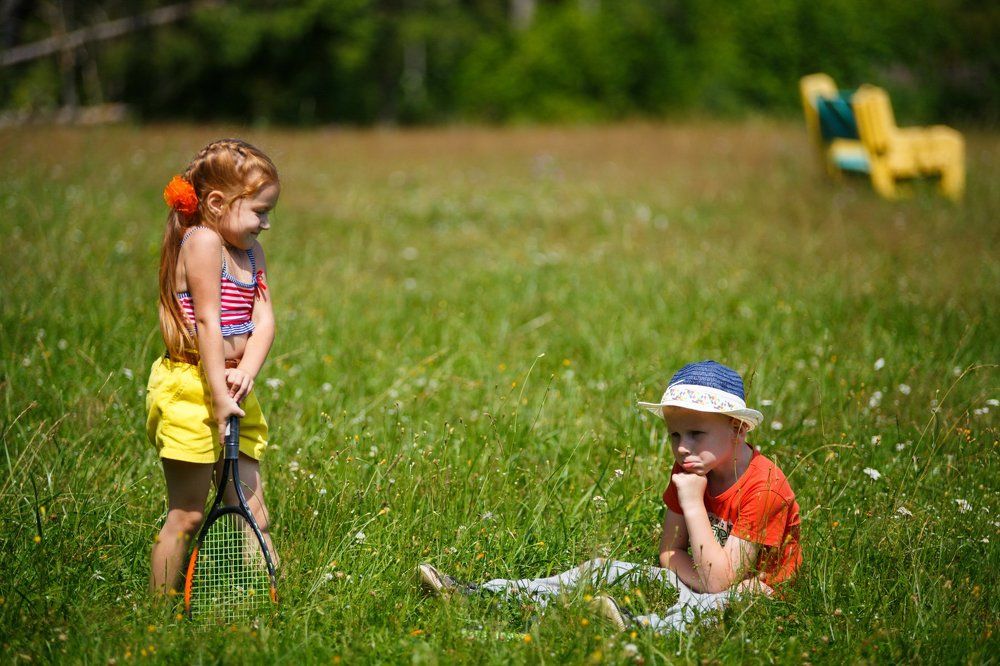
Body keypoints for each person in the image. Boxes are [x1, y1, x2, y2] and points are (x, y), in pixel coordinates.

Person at [418, 360, 801, 632]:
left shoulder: (762, 486)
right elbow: (669, 551)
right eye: (674, 435)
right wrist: (691, 577)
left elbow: (721, 583)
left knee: (717, 602)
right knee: (600, 565)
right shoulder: (692, 468)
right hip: (702, 574)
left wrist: (691, 510)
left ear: (737, 428)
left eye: (695, 434)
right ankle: (487, 595)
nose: (681, 448)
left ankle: (642, 629)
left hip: (757, 592)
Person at [146, 139, 281, 594]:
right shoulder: (202, 241)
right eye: (259, 212)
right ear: (218, 203)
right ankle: (154, 620)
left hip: (235, 387)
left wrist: (245, 376)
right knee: (187, 514)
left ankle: (269, 605)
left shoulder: (252, 254)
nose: (266, 223)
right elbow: (208, 320)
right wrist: (218, 396)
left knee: (254, 511)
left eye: (268, 213)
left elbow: (265, 322)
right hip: (192, 388)